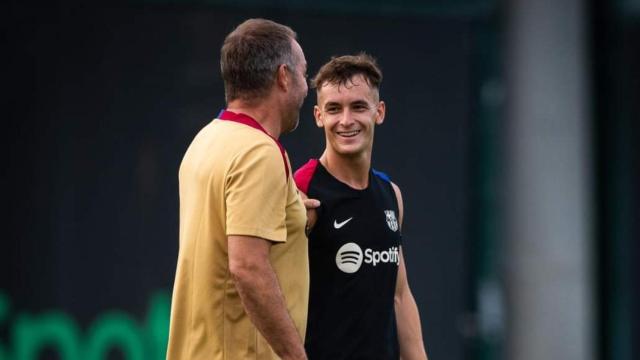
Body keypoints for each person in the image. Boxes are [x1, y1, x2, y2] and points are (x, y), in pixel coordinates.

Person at [167, 19, 312, 360]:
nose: (308, 87)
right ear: (283, 77)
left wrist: (293, 212)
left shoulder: (206, 140)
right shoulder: (259, 154)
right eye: (304, 74)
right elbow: (247, 266)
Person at [294, 54, 428, 360]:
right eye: (333, 109)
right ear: (318, 116)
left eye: (358, 106)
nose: (346, 120)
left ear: (379, 112)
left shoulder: (391, 195)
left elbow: (400, 296)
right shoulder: (300, 190)